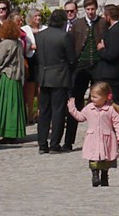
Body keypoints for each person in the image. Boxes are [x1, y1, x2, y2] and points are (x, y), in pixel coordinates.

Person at [66, 0, 108, 151]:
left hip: (97, 64)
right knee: (76, 100)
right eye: (88, 9)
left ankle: (102, 137)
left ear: (96, 9)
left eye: (92, 9)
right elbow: (71, 44)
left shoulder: (102, 23)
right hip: (81, 64)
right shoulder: (77, 24)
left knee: (100, 101)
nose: (90, 12)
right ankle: (69, 140)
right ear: (84, 10)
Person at [67, 82, 119, 187]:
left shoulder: (110, 110)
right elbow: (80, 117)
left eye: (95, 96)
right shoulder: (89, 108)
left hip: (107, 138)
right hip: (93, 138)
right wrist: (72, 109)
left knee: (106, 158)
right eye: (91, 96)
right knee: (93, 157)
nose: (92, 99)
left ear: (104, 97)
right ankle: (95, 174)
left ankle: (104, 175)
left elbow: (118, 124)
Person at [34, 10, 76, 153]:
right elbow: (71, 59)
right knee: (58, 111)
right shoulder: (64, 36)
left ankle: (42, 143)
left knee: (44, 111)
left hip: (44, 76)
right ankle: (54, 144)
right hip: (59, 76)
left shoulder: (40, 36)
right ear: (63, 22)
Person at [96, 5, 119, 147]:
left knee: (117, 105)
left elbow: (113, 54)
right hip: (112, 73)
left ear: (107, 16)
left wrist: (101, 50)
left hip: (115, 74)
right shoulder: (114, 30)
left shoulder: (117, 31)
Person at [0, 19, 26, 142]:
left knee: (6, 105)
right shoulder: (19, 43)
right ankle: (14, 132)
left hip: (7, 76)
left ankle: (6, 133)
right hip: (17, 77)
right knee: (15, 106)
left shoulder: (5, 44)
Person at [22, 8, 47, 125]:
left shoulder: (45, 29)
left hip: (42, 60)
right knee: (30, 88)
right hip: (30, 60)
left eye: (39, 16)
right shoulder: (25, 30)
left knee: (40, 88)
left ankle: (40, 112)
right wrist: (29, 47)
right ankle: (29, 114)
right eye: (35, 16)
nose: (38, 18)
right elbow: (21, 45)